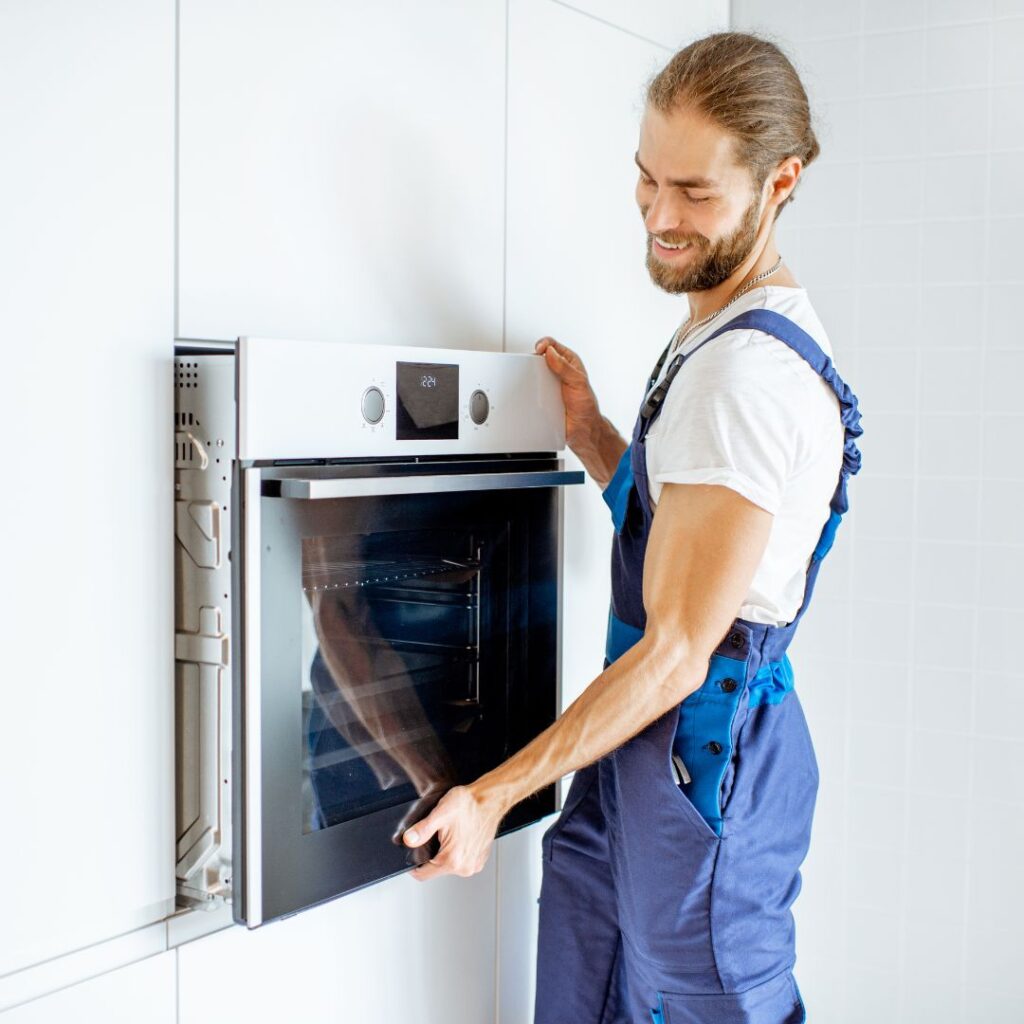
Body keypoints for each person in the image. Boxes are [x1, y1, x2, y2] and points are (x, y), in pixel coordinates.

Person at [401, 31, 863, 1023]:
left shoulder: (747, 376)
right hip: (646, 764)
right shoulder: (719, 328)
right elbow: (691, 534)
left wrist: (489, 795)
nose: (660, 216)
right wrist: (593, 434)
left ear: (780, 181)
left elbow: (675, 653)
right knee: (592, 986)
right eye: (646, 179)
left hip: (701, 772)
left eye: (694, 192)